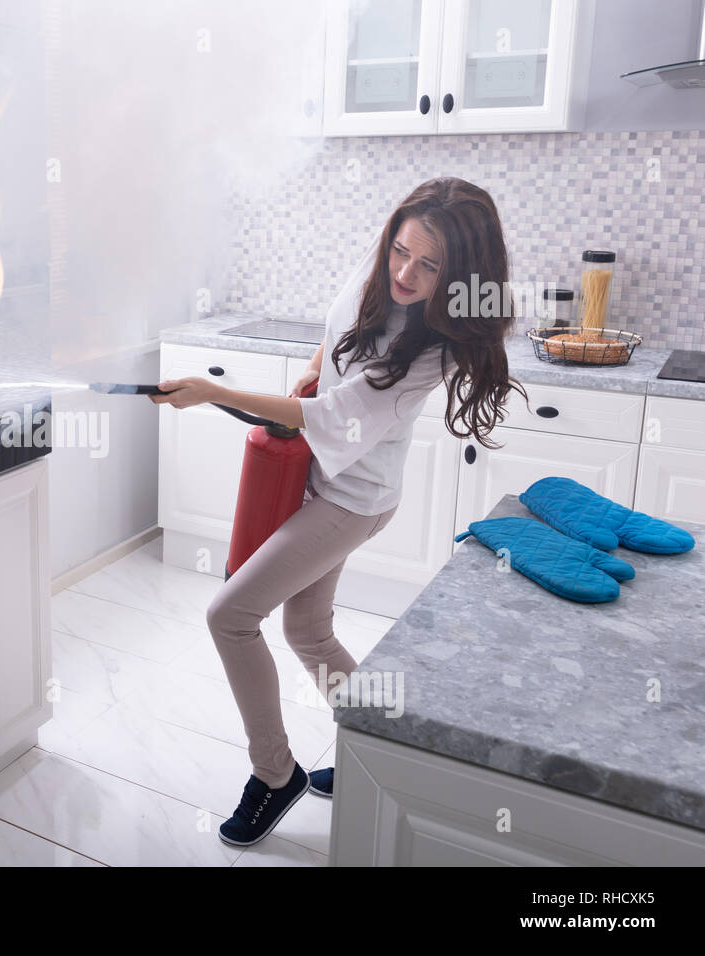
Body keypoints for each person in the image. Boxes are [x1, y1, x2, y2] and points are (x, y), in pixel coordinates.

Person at [151, 176, 527, 847]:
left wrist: (212, 391)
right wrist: (319, 364)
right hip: (321, 478)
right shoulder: (385, 264)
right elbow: (342, 326)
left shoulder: (433, 349)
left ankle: (274, 774)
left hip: (353, 499)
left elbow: (336, 418)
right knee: (309, 633)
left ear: (460, 273)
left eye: (429, 265)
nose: (406, 272)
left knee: (230, 615)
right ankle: (385, 751)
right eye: (401, 252)